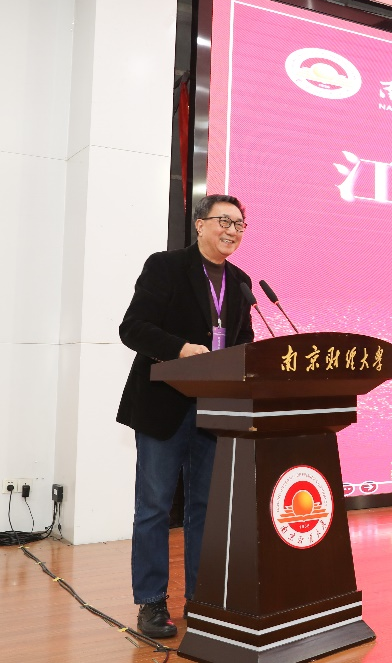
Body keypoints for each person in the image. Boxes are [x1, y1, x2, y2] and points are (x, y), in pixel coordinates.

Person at [117, 195, 254, 638]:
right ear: (199, 224)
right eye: (224, 221)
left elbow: (244, 341)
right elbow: (133, 328)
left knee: (206, 508)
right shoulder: (166, 266)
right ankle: (152, 602)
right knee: (155, 506)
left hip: (214, 407)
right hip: (164, 405)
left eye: (240, 224)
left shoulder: (241, 282)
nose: (232, 230)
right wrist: (179, 349)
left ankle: (202, 598)